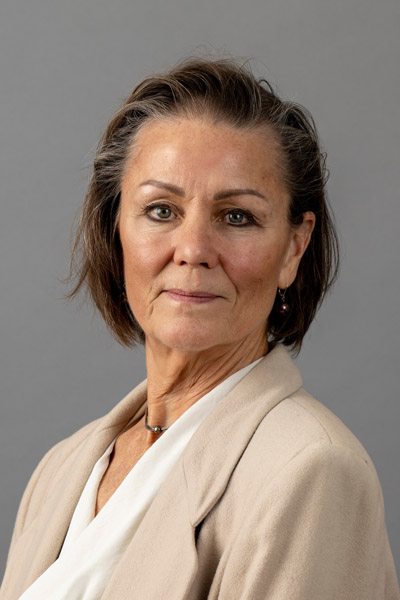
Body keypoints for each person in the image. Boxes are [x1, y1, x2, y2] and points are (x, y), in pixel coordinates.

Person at [1, 57, 398, 600]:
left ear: (293, 248)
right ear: (115, 231)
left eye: (237, 217)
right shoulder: (61, 470)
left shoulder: (311, 472)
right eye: (161, 210)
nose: (192, 251)